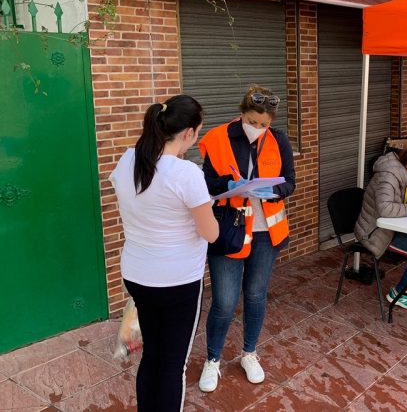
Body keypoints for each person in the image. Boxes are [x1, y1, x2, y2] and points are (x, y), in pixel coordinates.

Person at [110, 95, 219, 411]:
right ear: (188, 133)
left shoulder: (127, 160)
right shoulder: (186, 174)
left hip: (137, 276)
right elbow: (209, 232)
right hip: (178, 282)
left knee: (153, 354)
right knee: (173, 364)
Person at [198, 84, 296, 393]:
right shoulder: (217, 138)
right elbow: (206, 183)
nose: (258, 128)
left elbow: (289, 182)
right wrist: (231, 184)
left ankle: (249, 353)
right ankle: (212, 359)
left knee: (255, 295)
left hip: (267, 231)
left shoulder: (279, 139)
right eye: (253, 122)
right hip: (229, 229)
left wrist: (271, 189)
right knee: (225, 302)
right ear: (242, 115)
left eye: (263, 124)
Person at [354, 147, 407, 310]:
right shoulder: (388, 176)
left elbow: (397, 200)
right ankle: (399, 293)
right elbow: (385, 208)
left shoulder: (399, 172)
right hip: (375, 233)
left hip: (389, 228)